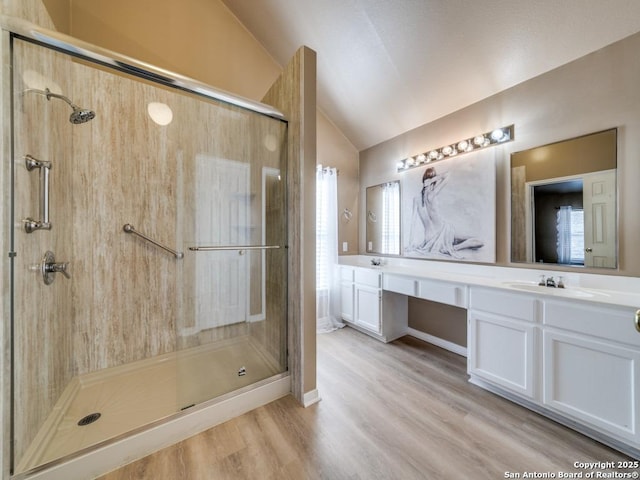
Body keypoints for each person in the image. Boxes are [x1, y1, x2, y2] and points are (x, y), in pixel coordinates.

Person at [407, 166, 483, 258]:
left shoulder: (416, 199)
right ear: (433, 181)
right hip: (444, 231)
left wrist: (410, 244)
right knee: (477, 241)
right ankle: (455, 247)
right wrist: (433, 179)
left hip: (428, 239)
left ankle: (453, 246)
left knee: (470, 239)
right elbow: (448, 174)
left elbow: (413, 223)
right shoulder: (432, 194)